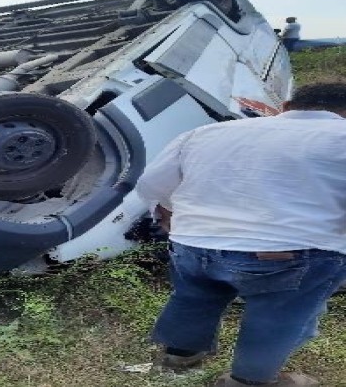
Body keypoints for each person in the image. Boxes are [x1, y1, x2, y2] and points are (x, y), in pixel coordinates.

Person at [135, 83, 346, 387]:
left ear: (285, 107)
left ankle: (178, 357)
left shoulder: (208, 133)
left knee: (194, 298)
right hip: (291, 252)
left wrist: (170, 218)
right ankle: (249, 381)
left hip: (193, 244)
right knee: (277, 315)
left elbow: (151, 184)